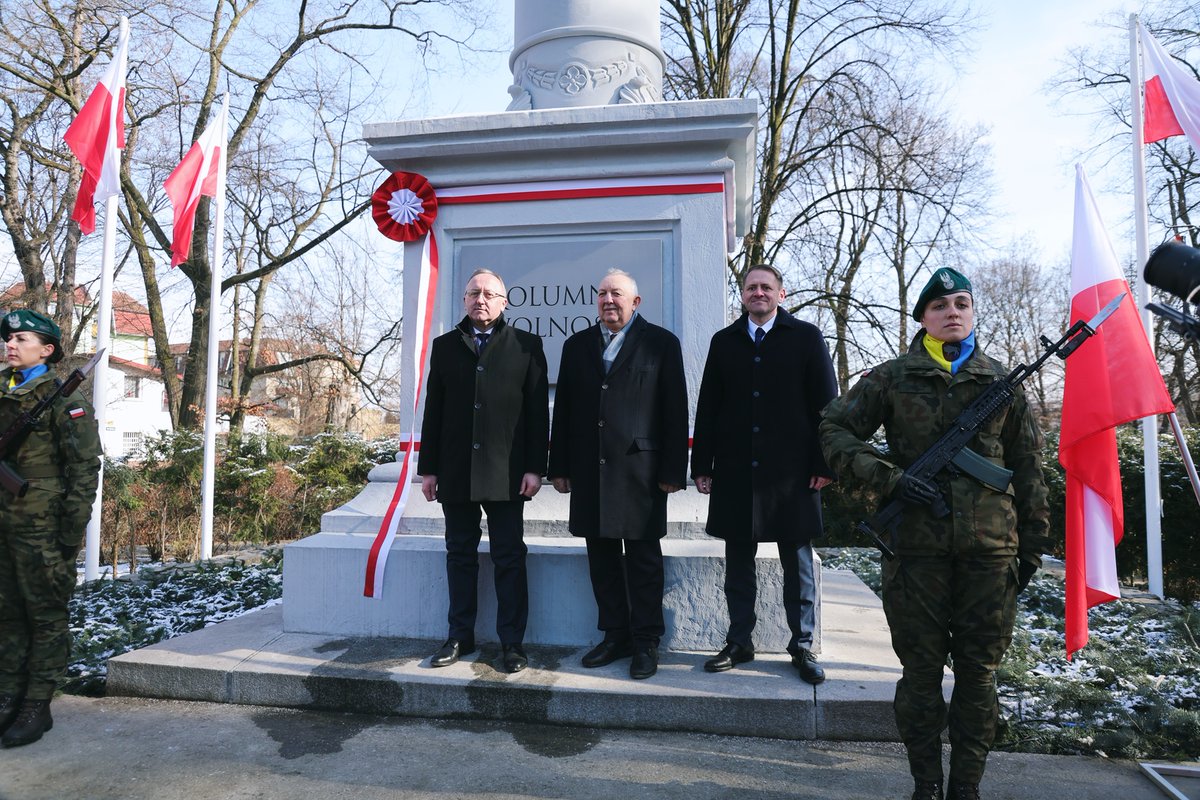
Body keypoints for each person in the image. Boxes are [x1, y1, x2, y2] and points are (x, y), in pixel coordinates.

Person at [818, 268, 1050, 800]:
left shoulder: (1001, 383)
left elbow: (1029, 467)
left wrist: (1032, 547)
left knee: (980, 674)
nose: (953, 312)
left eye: (962, 303)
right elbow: (832, 428)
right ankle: (926, 784)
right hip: (915, 551)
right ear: (922, 317)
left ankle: (965, 787)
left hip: (991, 554)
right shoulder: (892, 378)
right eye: (940, 304)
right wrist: (886, 476)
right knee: (920, 675)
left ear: (972, 313)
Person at [691, 264, 837, 685]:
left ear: (781, 294)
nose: (758, 292)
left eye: (766, 287)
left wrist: (825, 464)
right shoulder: (724, 342)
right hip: (736, 472)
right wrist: (702, 465)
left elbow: (827, 405)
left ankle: (802, 646)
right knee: (738, 564)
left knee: (799, 564)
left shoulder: (806, 337)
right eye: (751, 287)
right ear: (742, 294)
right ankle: (739, 642)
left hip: (793, 475)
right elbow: (708, 408)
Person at [548, 269, 688, 680]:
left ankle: (646, 641)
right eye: (603, 293)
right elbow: (567, 410)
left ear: (636, 302)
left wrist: (672, 470)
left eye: (618, 294)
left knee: (643, 560)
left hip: (641, 472)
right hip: (591, 471)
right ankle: (615, 635)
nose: (609, 300)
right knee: (601, 558)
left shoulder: (662, 344)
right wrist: (559, 467)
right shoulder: (576, 346)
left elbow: (674, 410)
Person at [418, 269, 549, 674]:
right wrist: (429, 470)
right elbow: (434, 411)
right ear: (464, 299)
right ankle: (460, 636)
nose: (481, 300)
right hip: (456, 472)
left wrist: (535, 469)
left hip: (508, 473)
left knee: (509, 557)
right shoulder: (444, 347)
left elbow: (536, 414)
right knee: (459, 555)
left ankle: (512, 643)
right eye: (474, 293)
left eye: (490, 294)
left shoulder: (527, 346)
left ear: (504, 302)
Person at [0, 309, 102, 748]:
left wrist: (69, 532)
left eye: (21, 338)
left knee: (44, 616)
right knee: (7, 614)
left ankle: (36, 704)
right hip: (2, 526)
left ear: (47, 349)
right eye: (8, 338)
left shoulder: (65, 402)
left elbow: (84, 471)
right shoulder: (2, 394)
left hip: (42, 528)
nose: (10, 344)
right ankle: (7, 695)